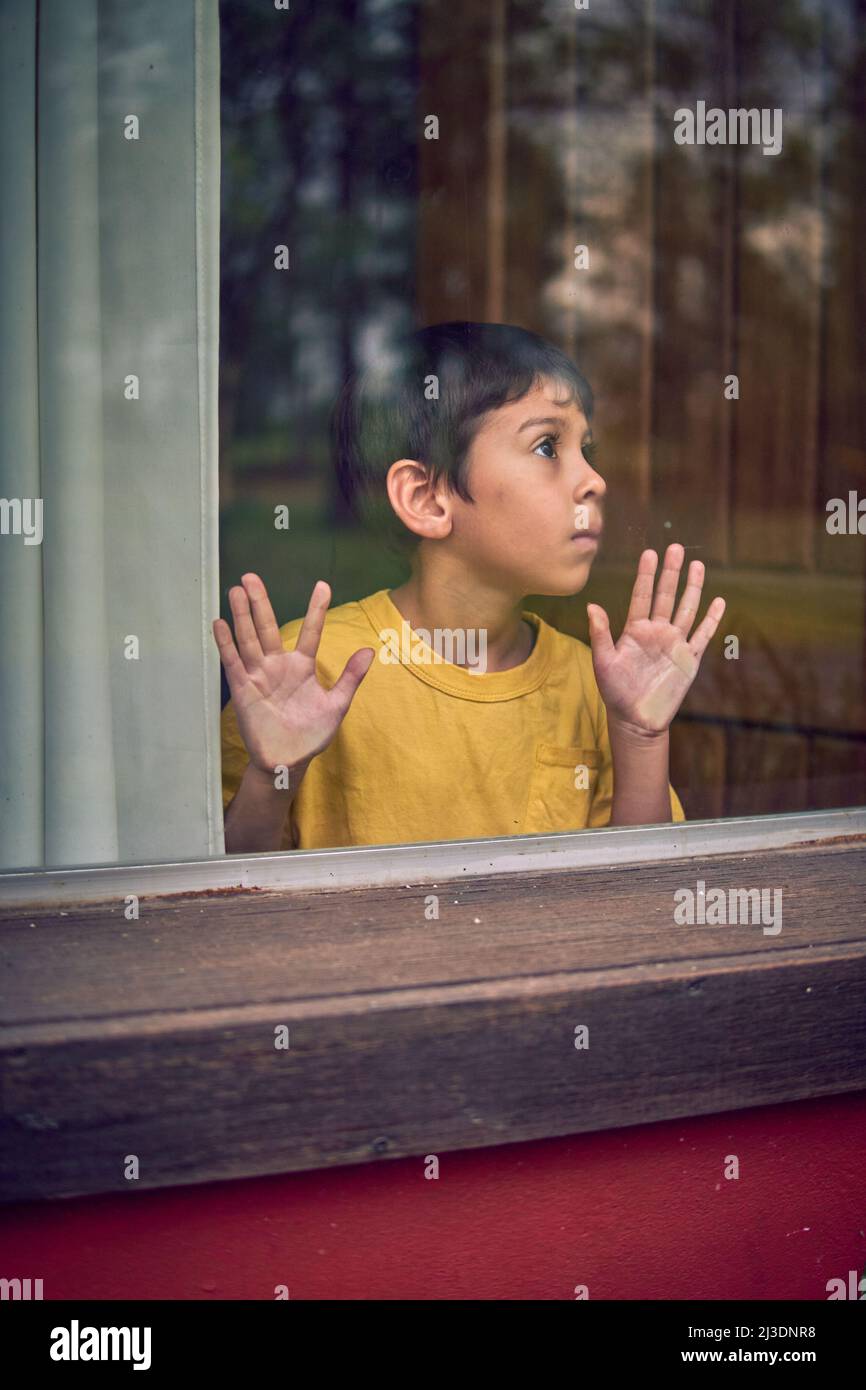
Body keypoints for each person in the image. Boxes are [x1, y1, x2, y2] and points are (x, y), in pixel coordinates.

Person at [215, 321, 725, 853]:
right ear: (427, 500)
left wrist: (641, 737)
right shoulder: (308, 672)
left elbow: (640, 898)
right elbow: (219, 905)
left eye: (586, 450)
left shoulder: (599, 685)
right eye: (548, 447)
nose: (594, 480)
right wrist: (273, 776)